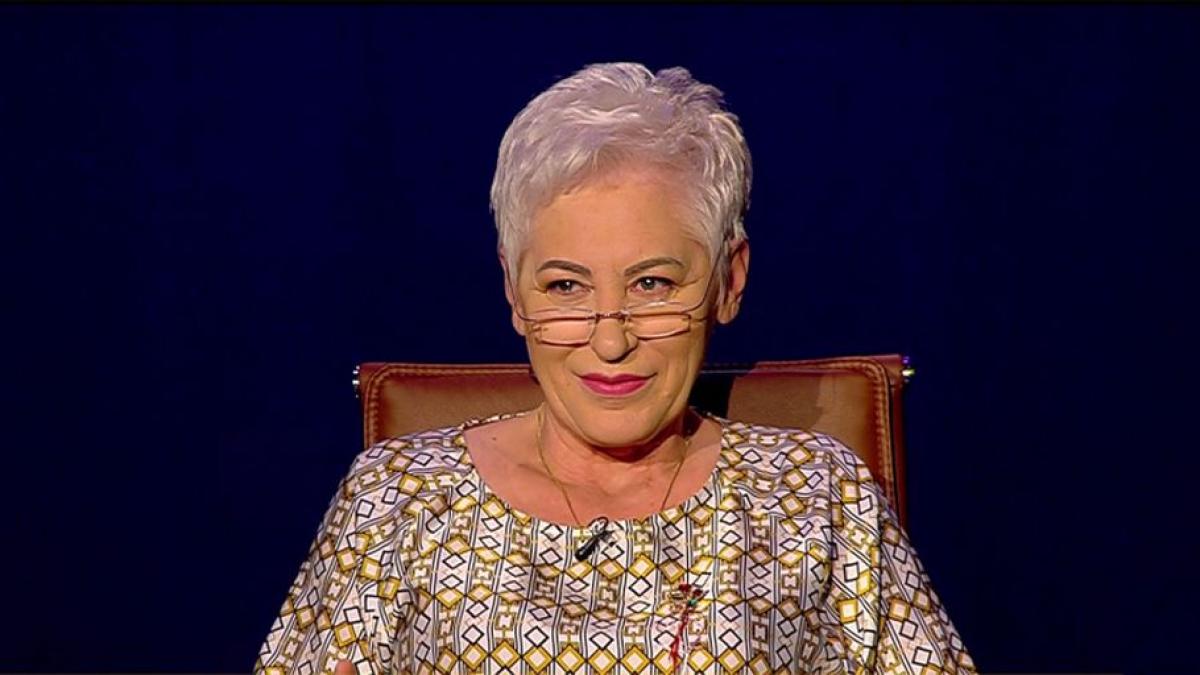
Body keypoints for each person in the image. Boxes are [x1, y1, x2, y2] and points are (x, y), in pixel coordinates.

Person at [255, 62, 975, 674]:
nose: (609, 342)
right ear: (514, 292)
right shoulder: (396, 501)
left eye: (652, 284)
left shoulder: (815, 494)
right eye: (565, 287)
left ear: (728, 281)